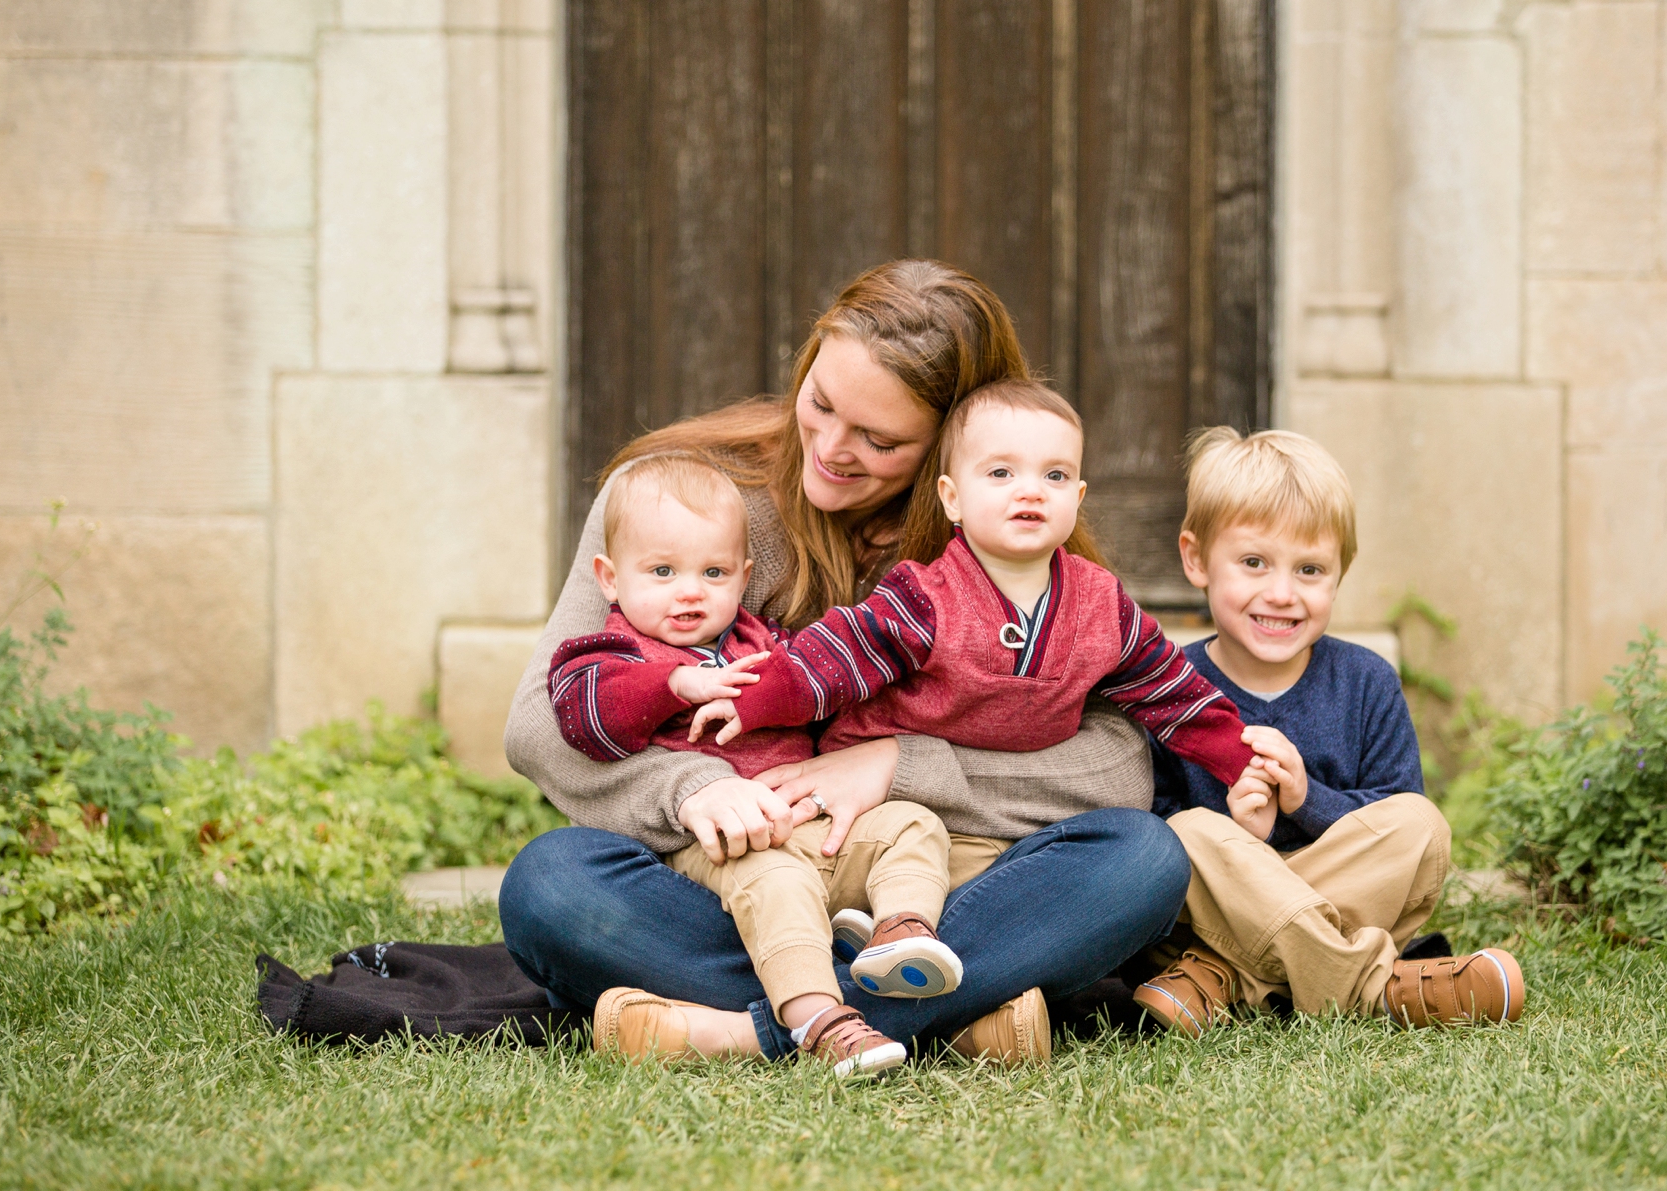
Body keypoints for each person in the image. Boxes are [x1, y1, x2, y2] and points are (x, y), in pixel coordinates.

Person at [498, 260, 1191, 1067]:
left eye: (879, 439)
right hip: (729, 880)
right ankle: (943, 1014)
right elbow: (538, 727)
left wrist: (899, 764)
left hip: (923, 888)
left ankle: (759, 1029)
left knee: (1141, 858)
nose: (830, 447)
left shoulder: (1006, 531)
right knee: (550, 882)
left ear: (952, 452)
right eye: (821, 403)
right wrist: (696, 790)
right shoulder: (675, 501)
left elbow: (1117, 764)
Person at [547, 453, 960, 1076]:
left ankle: (899, 936)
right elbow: (584, 714)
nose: (689, 590)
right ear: (610, 577)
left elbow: (824, 686)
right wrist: (673, 684)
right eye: (661, 571)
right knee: (774, 881)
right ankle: (822, 1020)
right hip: (722, 848)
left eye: (712, 572)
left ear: (743, 578)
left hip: (811, 829)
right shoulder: (609, 653)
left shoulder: (766, 644)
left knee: (910, 823)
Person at [1128, 428, 1526, 1032]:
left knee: (1420, 825)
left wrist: (1307, 799)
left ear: (1341, 573)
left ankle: (1228, 975)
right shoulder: (1169, 683)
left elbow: (1391, 808)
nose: (1282, 594)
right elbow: (1150, 830)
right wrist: (1240, 831)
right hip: (1218, 903)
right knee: (1184, 832)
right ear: (1196, 558)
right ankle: (1375, 989)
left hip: (1328, 888)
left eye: (1310, 569)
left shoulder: (1366, 681)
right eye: (1254, 562)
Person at [692, 378, 1258, 795]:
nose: (1031, 491)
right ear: (951, 498)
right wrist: (757, 697)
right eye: (1001, 473)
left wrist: (1239, 757)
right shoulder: (925, 597)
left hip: (1003, 809)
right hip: (884, 798)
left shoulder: (1102, 606)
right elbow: (836, 654)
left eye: (1054, 475)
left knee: (1141, 853)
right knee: (906, 846)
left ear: (1077, 500)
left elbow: (1173, 691)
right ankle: (892, 933)